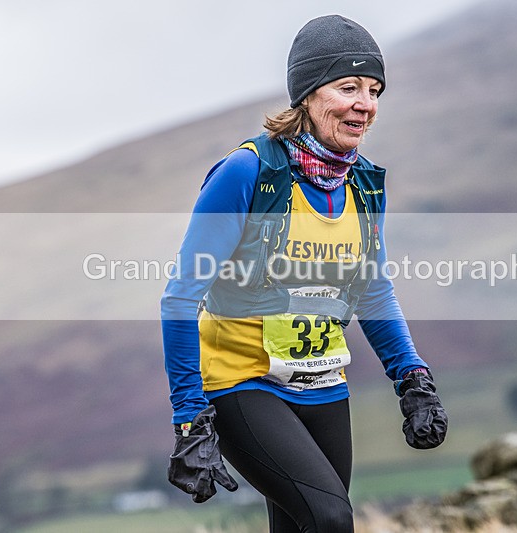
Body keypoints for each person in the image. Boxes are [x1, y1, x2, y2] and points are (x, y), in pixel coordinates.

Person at [161, 14, 448, 533]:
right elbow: (181, 298)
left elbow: (374, 293)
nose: (366, 103)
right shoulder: (248, 173)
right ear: (309, 95)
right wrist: (190, 418)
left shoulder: (362, 184)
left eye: (374, 89)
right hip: (242, 384)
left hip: (323, 384)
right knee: (332, 518)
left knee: (303, 527)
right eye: (349, 87)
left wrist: (413, 378)